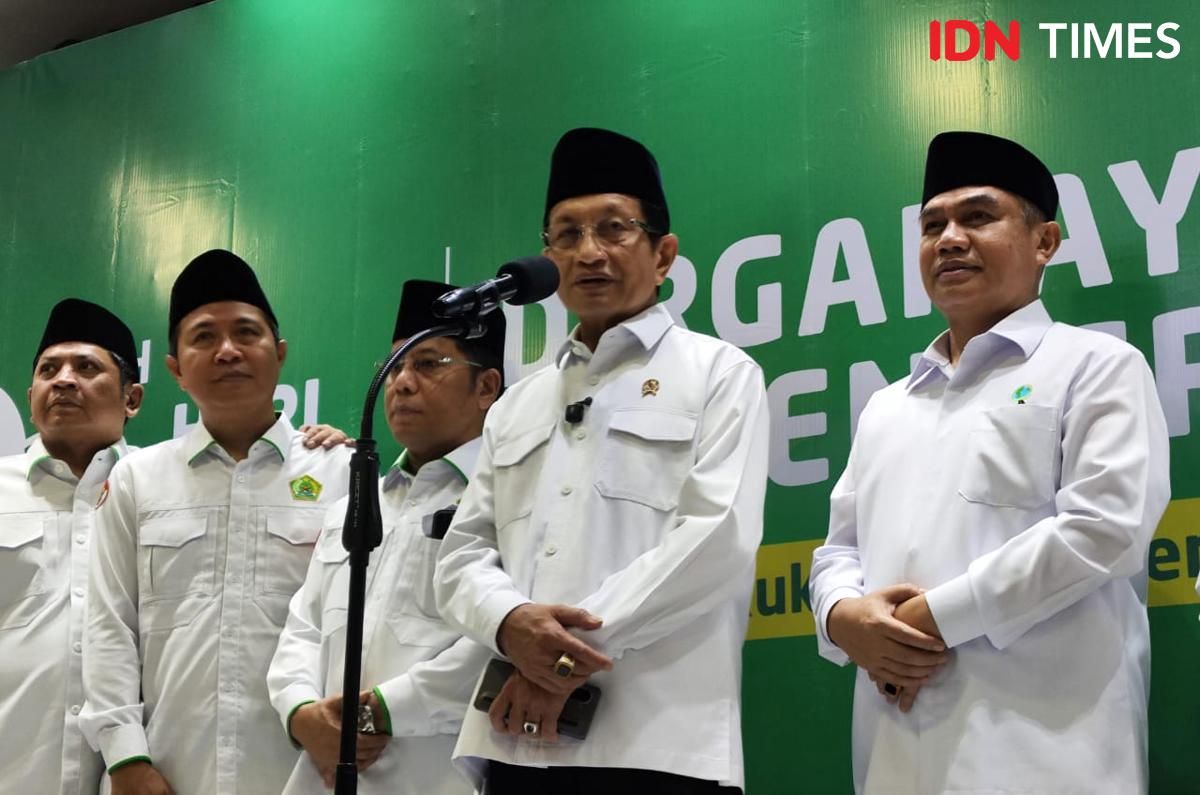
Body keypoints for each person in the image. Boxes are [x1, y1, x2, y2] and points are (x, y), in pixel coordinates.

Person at [810, 131, 1171, 794]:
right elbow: (839, 550)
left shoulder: (1096, 367)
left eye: (978, 216)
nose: (949, 239)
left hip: (1052, 759)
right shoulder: (888, 405)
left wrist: (930, 619)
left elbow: (1105, 530)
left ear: (1045, 241)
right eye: (932, 225)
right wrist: (842, 617)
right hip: (895, 760)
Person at [434, 127, 769, 794]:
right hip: (515, 744)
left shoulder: (720, 373)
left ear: (663, 253)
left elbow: (717, 539)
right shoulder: (517, 404)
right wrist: (510, 623)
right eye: (568, 234)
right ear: (547, 257)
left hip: (657, 744)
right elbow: (462, 555)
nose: (589, 252)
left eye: (614, 229)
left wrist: (561, 655)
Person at [81, 249, 351, 794]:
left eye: (246, 333)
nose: (227, 351)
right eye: (204, 337)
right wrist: (125, 758)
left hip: (303, 773)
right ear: (176, 369)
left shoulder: (342, 472)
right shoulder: (137, 480)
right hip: (170, 771)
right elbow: (109, 624)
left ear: (279, 353)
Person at [267, 279, 503, 794]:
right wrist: (301, 712)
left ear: (486, 387)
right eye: (395, 367)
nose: (402, 383)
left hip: (438, 777)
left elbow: (502, 642)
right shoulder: (353, 504)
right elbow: (303, 626)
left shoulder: (507, 501)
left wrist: (384, 711)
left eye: (429, 364)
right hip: (321, 776)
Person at [0, 298, 142, 794]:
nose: (63, 380)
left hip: (143, 775)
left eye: (86, 367)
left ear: (132, 398)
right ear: (31, 395)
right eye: (48, 369)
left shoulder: (162, 491)